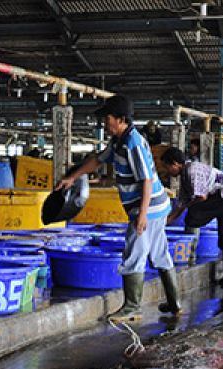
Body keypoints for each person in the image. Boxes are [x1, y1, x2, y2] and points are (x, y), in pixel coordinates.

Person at [54, 95, 174, 320]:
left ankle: (132, 307)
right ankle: (175, 304)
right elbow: (98, 160)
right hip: (155, 205)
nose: (104, 123)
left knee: (134, 253)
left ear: (120, 119)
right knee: (159, 253)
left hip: (147, 205)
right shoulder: (119, 141)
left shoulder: (132, 144)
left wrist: (142, 215)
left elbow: (146, 180)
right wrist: (72, 178)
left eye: (107, 118)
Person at [160, 146, 223, 305]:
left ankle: (194, 256)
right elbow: (180, 204)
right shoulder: (184, 175)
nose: (166, 171)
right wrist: (165, 222)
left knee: (194, 217)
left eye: (167, 166)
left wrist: (189, 209)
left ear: (175, 164)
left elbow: (201, 197)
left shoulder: (192, 170)